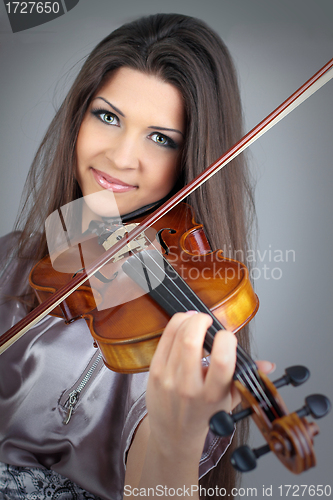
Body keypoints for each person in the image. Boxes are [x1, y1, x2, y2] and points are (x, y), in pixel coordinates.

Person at [0, 13, 273, 500]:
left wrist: (175, 440)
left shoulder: (176, 340)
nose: (122, 158)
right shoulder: (12, 258)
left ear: (191, 163)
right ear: (78, 118)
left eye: (161, 138)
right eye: (107, 116)